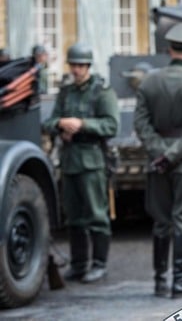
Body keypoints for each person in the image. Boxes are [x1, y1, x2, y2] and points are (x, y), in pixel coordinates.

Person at [133, 22, 182, 298]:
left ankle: (159, 281)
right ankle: (179, 282)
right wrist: (174, 154)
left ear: (169, 49)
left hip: (157, 161)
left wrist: (160, 153)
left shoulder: (149, 81)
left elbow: (140, 124)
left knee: (161, 221)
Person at [42, 42, 119, 283]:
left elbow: (111, 125)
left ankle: (99, 263)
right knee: (73, 216)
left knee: (96, 214)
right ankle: (78, 264)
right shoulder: (66, 92)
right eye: (73, 65)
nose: (76, 70)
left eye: (80, 65)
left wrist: (83, 124)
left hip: (92, 160)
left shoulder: (101, 91)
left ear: (87, 66)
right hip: (69, 160)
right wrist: (60, 125)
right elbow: (48, 122)